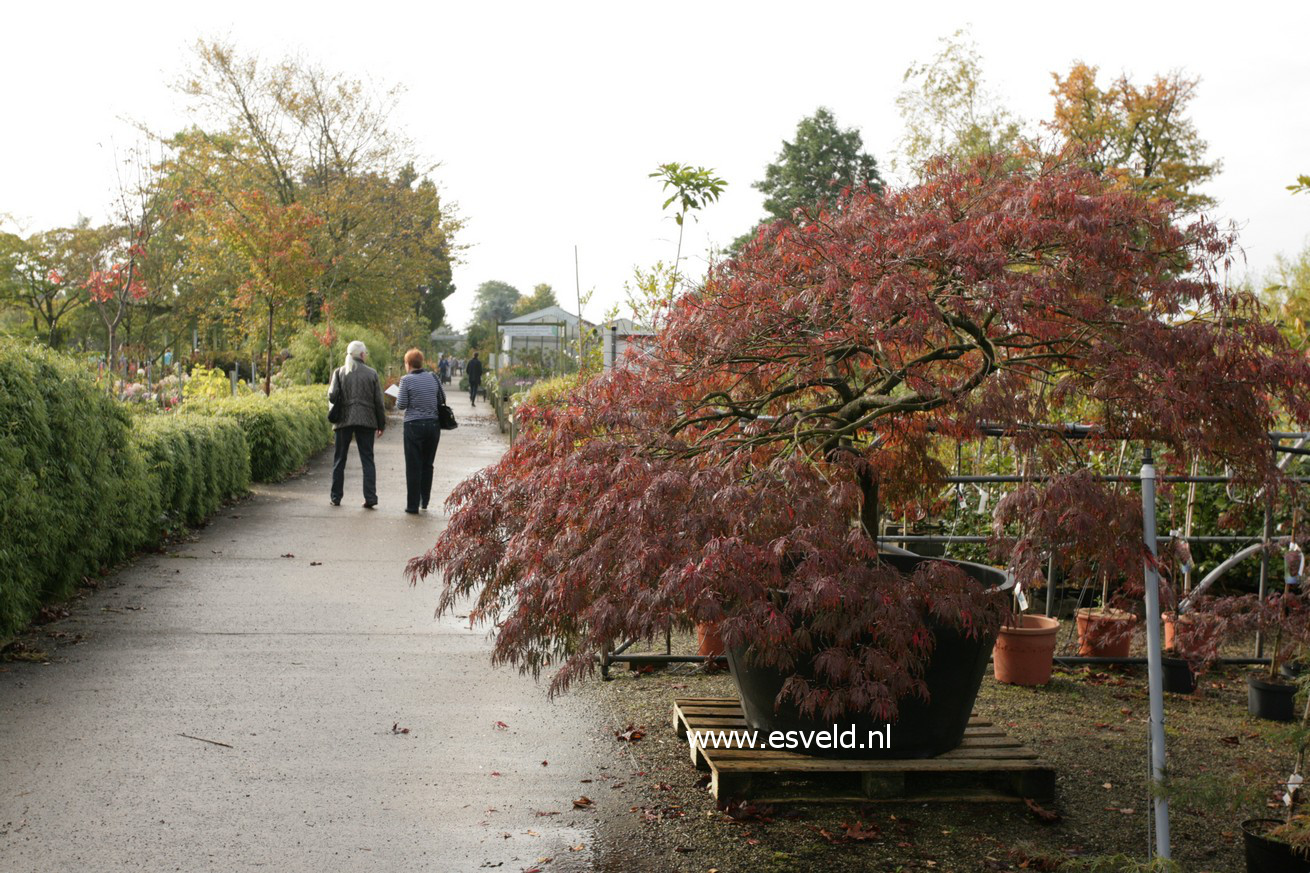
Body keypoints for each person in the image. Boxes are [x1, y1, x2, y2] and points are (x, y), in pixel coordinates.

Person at [328, 340, 387, 508]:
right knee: (367, 459)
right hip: (366, 421)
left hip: (343, 420)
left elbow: (332, 396)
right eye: (365, 353)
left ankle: (335, 497)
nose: (366, 355)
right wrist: (381, 424)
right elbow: (378, 401)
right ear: (361, 355)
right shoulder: (372, 373)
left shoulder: (339, 372)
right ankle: (370, 498)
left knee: (339, 459)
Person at [395, 348, 445, 514]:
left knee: (413, 466)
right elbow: (442, 399)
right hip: (433, 425)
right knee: (427, 464)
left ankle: (412, 505)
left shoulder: (406, 380)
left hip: (413, 426)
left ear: (408, 364)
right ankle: (425, 501)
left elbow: (401, 404)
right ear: (421, 362)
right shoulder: (433, 377)